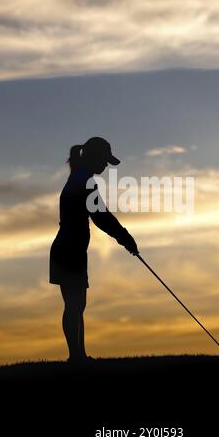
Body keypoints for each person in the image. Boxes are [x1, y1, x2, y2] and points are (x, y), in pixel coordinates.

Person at [49, 137, 139, 364]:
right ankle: (76, 356)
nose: (106, 166)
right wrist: (125, 237)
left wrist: (123, 237)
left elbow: (99, 215)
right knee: (74, 304)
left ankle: (79, 356)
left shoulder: (80, 178)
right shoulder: (83, 180)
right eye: (105, 161)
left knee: (77, 304)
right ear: (95, 157)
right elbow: (101, 216)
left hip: (71, 248)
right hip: (69, 248)